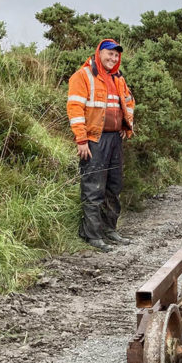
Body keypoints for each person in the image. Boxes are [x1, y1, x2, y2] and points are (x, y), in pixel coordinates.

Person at [66, 38, 135, 252]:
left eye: (116, 55)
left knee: (113, 186)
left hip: (115, 139)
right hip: (94, 140)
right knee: (93, 188)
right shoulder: (83, 76)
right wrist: (81, 139)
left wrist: (126, 125)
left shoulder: (118, 78)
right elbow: (75, 108)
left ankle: (109, 229)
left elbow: (128, 101)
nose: (113, 58)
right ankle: (92, 235)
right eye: (109, 54)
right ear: (99, 53)